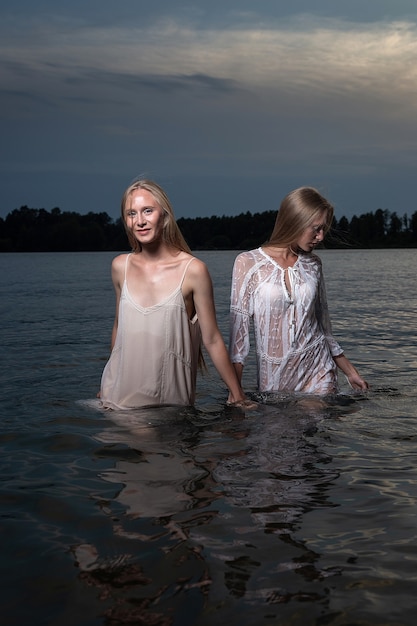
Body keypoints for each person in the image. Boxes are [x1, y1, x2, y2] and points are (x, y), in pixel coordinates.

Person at [99, 178, 254, 410]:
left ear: (165, 215)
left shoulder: (193, 271)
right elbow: (118, 328)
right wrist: (107, 382)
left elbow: (211, 339)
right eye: (132, 214)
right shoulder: (120, 266)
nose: (140, 221)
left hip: (168, 406)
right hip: (116, 399)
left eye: (147, 211)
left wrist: (237, 393)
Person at [229, 186, 369, 396]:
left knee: (311, 418)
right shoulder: (248, 263)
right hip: (274, 377)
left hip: (317, 368)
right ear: (295, 221)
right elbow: (238, 339)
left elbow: (323, 328)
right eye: (316, 228)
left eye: (324, 229)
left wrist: (350, 372)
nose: (320, 237)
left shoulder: (313, 264)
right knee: (275, 427)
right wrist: (235, 391)